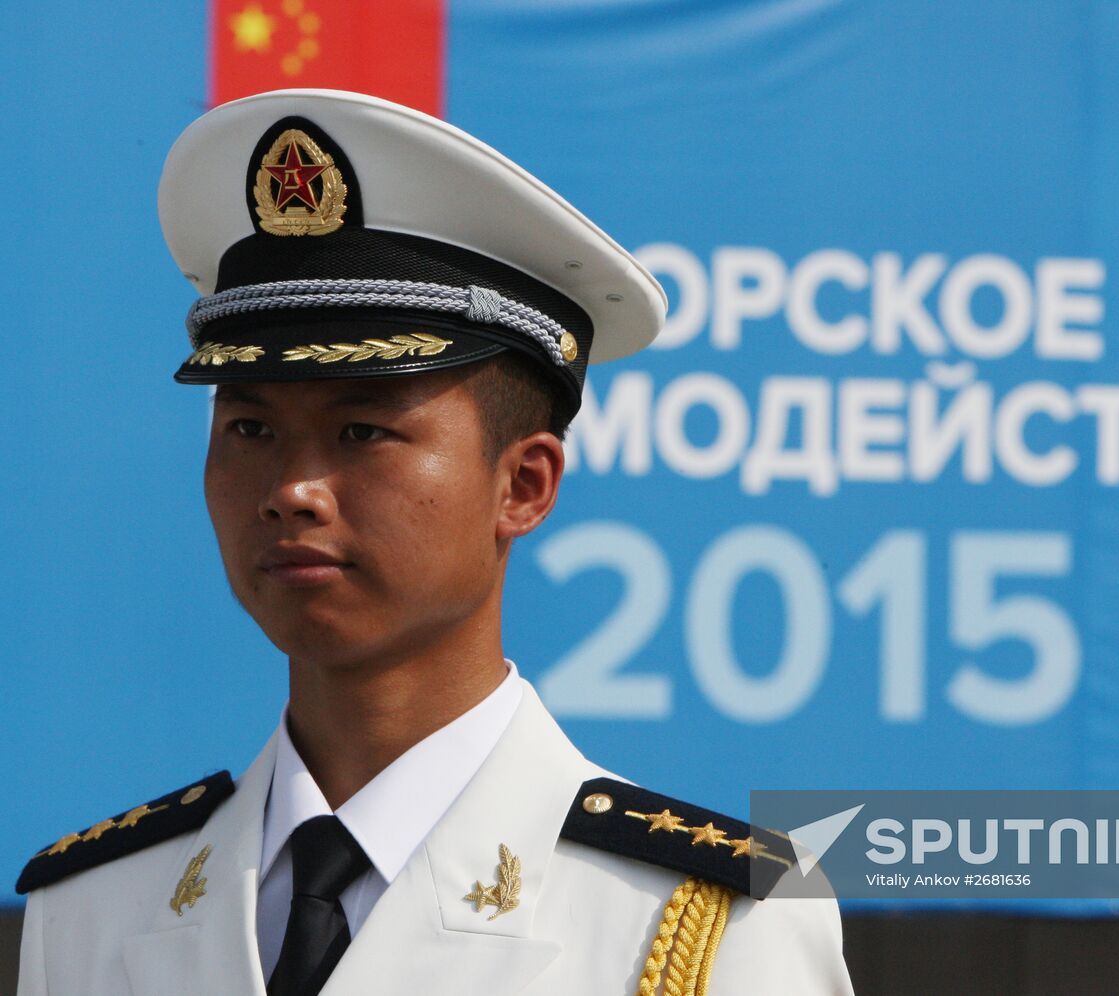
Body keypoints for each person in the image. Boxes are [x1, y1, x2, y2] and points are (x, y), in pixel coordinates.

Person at [13, 89, 853, 996]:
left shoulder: (701, 930)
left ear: (523, 485)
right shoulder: (93, 909)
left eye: (363, 432)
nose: (291, 491)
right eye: (251, 431)